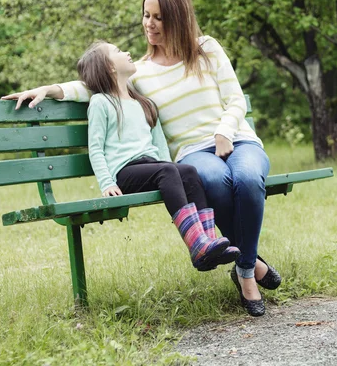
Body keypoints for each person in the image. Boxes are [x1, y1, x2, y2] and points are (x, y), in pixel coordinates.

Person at [2, 0, 280, 317]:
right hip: (193, 154)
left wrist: (224, 131)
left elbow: (234, 99)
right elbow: (95, 83)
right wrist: (50, 89)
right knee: (217, 182)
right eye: (146, 15)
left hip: (237, 139)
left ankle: (244, 267)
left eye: (158, 17)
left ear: (177, 18)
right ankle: (250, 270)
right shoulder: (142, 73)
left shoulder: (206, 48)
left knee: (248, 180)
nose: (149, 23)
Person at [75, 39, 239, 272]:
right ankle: (196, 245)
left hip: (154, 167)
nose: (127, 52)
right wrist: (106, 182)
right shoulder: (101, 102)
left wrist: (175, 173)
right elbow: (96, 148)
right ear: (110, 67)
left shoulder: (144, 103)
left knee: (188, 172)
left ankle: (210, 241)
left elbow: (160, 149)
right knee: (169, 170)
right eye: (118, 51)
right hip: (125, 173)